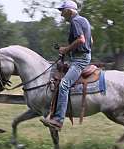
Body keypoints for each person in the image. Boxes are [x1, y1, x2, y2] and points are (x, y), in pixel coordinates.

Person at [41, 0, 92, 131]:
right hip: (81, 57)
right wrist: (72, 50)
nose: (61, 15)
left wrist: (66, 49)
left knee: (64, 84)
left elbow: (81, 40)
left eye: (62, 11)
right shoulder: (84, 20)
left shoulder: (75, 21)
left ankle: (58, 120)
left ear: (69, 11)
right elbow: (90, 40)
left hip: (79, 60)